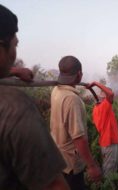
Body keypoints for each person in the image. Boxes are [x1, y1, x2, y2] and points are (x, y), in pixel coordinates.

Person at [0, 4, 70, 190]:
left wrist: (12, 71)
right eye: (14, 45)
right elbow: (54, 186)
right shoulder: (14, 109)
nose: (14, 54)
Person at [50, 56, 102, 190]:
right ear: (79, 74)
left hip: (58, 158)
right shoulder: (72, 99)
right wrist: (92, 166)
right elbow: (78, 138)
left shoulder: (56, 90)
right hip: (71, 165)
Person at [88, 81, 118, 177]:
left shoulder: (96, 108)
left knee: (108, 167)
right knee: (109, 172)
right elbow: (110, 94)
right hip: (109, 142)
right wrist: (95, 83)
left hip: (106, 142)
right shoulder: (104, 107)